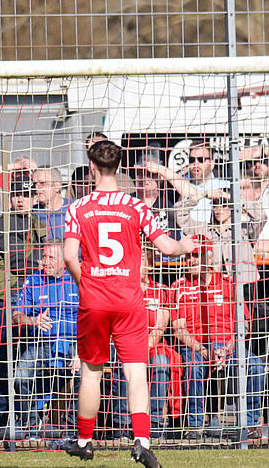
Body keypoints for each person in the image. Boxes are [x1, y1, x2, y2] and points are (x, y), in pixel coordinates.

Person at [62, 140, 194, 467]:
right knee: (136, 371)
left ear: (92, 167)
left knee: (92, 372)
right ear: (119, 168)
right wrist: (185, 243)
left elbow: (67, 255)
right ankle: (142, 442)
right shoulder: (135, 206)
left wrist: (87, 284)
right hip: (129, 299)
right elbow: (165, 247)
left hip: (95, 298)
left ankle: (83, 441)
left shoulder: (78, 207)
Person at [170, 235, 266, 440]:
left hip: (227, 346)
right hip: (196, 347)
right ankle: (194, 427)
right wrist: (203, 350)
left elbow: (244, 324)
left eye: (197, 255)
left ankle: (248, 425)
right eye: (188, 256)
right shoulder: (179, 286)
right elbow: (178, 329)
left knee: (256, 366)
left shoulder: (228, 284)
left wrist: (228, 349)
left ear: (210, 258)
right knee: (193, 366)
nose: (192, 260)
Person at [0, 175, 46, 427]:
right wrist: (42, 261)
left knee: (27, 358)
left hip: (29, 295)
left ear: (34, 198)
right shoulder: (3, 223)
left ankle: (29, 413)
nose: (20, 199)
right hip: (4, 296)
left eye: (26, 194)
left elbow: (49, 258)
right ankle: (2, 410)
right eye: (16, 194)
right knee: (4, 357)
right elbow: (19, 262)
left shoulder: (38, 224)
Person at [110, 251, 184, 439]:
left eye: (141, 260)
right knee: (123, 362)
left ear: (150, 264)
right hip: (125, 342)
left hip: (151, 345)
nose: (137, 264)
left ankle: (156, 422)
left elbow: (160, 326)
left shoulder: (161, 291)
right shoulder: (121, 288)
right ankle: (123, 424)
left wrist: (147, 344)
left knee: (160, 361)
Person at [12, 241, 79, 439]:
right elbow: (16, 316)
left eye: (50, 258)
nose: (44, 262)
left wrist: (82, 352)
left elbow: (92, 318)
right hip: (42, 343)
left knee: (84, 376)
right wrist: (33, 320)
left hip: (75, 343)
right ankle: (32, 425)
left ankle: (73, 429)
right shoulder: (33, 281)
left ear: (64, 261)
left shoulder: (77, 279)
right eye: (43, 257)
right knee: (21, 377)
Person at [34, 167, 74, 241]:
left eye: (42, 183)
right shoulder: (33, 213)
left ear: (57, 186)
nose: (36, 188)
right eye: (34, 184)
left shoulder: (75, 207)